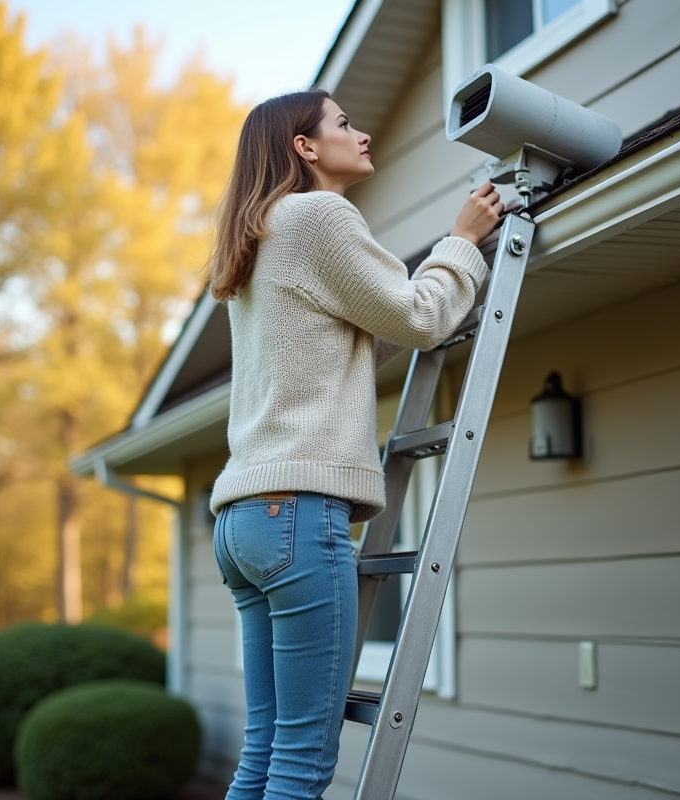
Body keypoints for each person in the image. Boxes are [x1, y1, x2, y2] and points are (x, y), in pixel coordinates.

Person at [207, 88, 502, 800]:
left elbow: (361, 332)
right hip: (298, 519)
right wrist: (461, 240)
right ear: (305, 147)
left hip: (245, 520)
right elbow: (422, 316)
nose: (362, 134)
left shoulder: (263, 233)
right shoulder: (318, 215)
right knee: (303, 761)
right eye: (344, 124)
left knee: (265, 752)